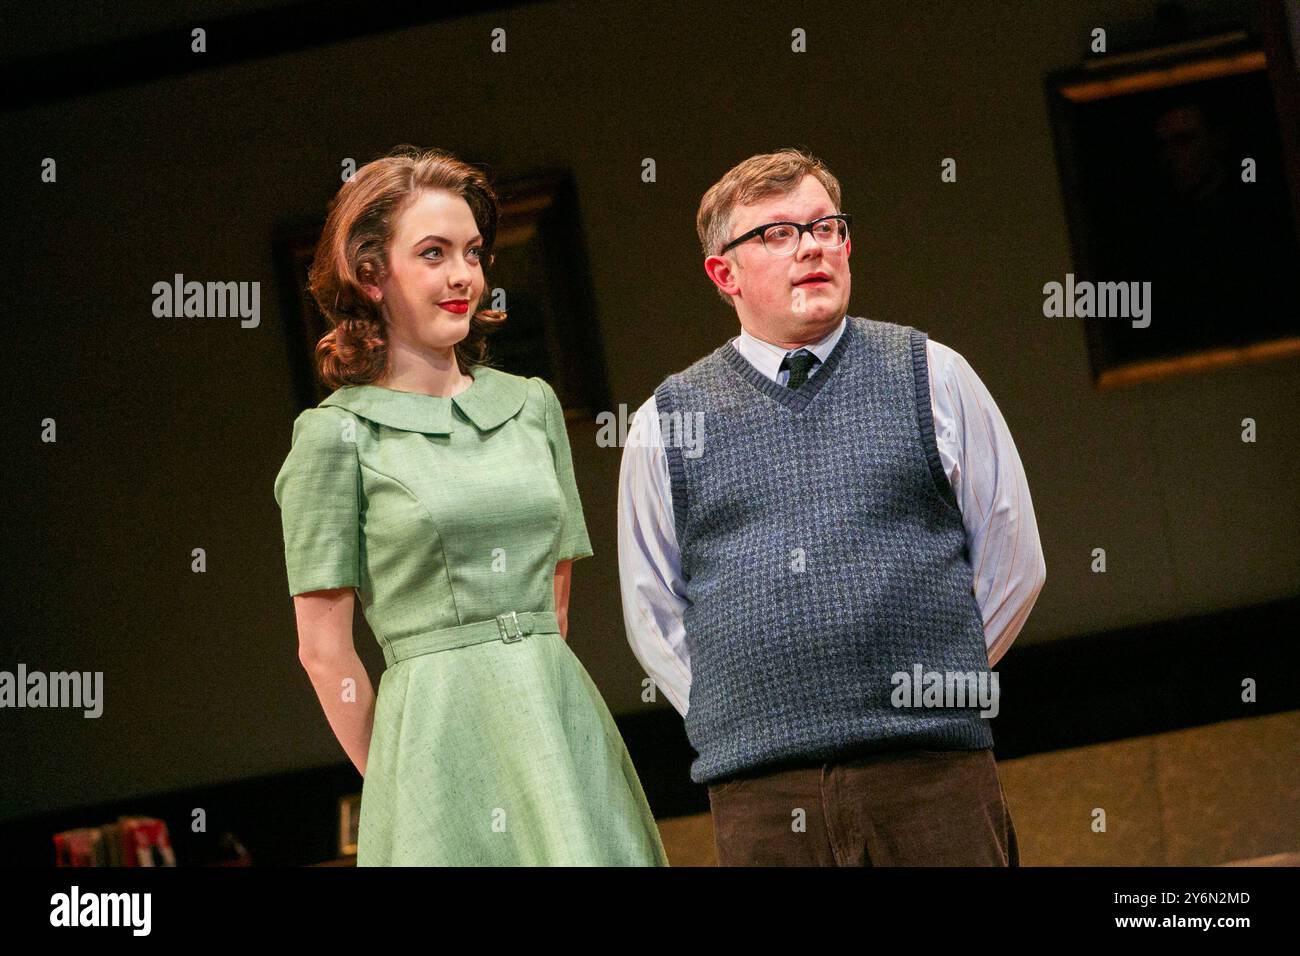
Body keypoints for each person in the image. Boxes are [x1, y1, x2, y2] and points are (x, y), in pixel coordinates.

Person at [617, 148, 1046, 866]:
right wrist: (755, 715)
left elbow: (1014, 563)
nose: (811, 246)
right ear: (724, 273)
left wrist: (933, 684)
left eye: (826, 226)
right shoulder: (668, 421)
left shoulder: (931, 374)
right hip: (763, 796)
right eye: (777, 234)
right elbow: (651, 609)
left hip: (931, 774)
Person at [274, 145, 668, 866]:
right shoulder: (336, 436)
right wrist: (399, 784)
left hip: (556, 724)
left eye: (473, 252)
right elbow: (323, 650)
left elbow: (553, 606)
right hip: (431, 741)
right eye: (432, 253)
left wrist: (539, 731)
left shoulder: (530, 406)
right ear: (370, 275)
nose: (463, 276)